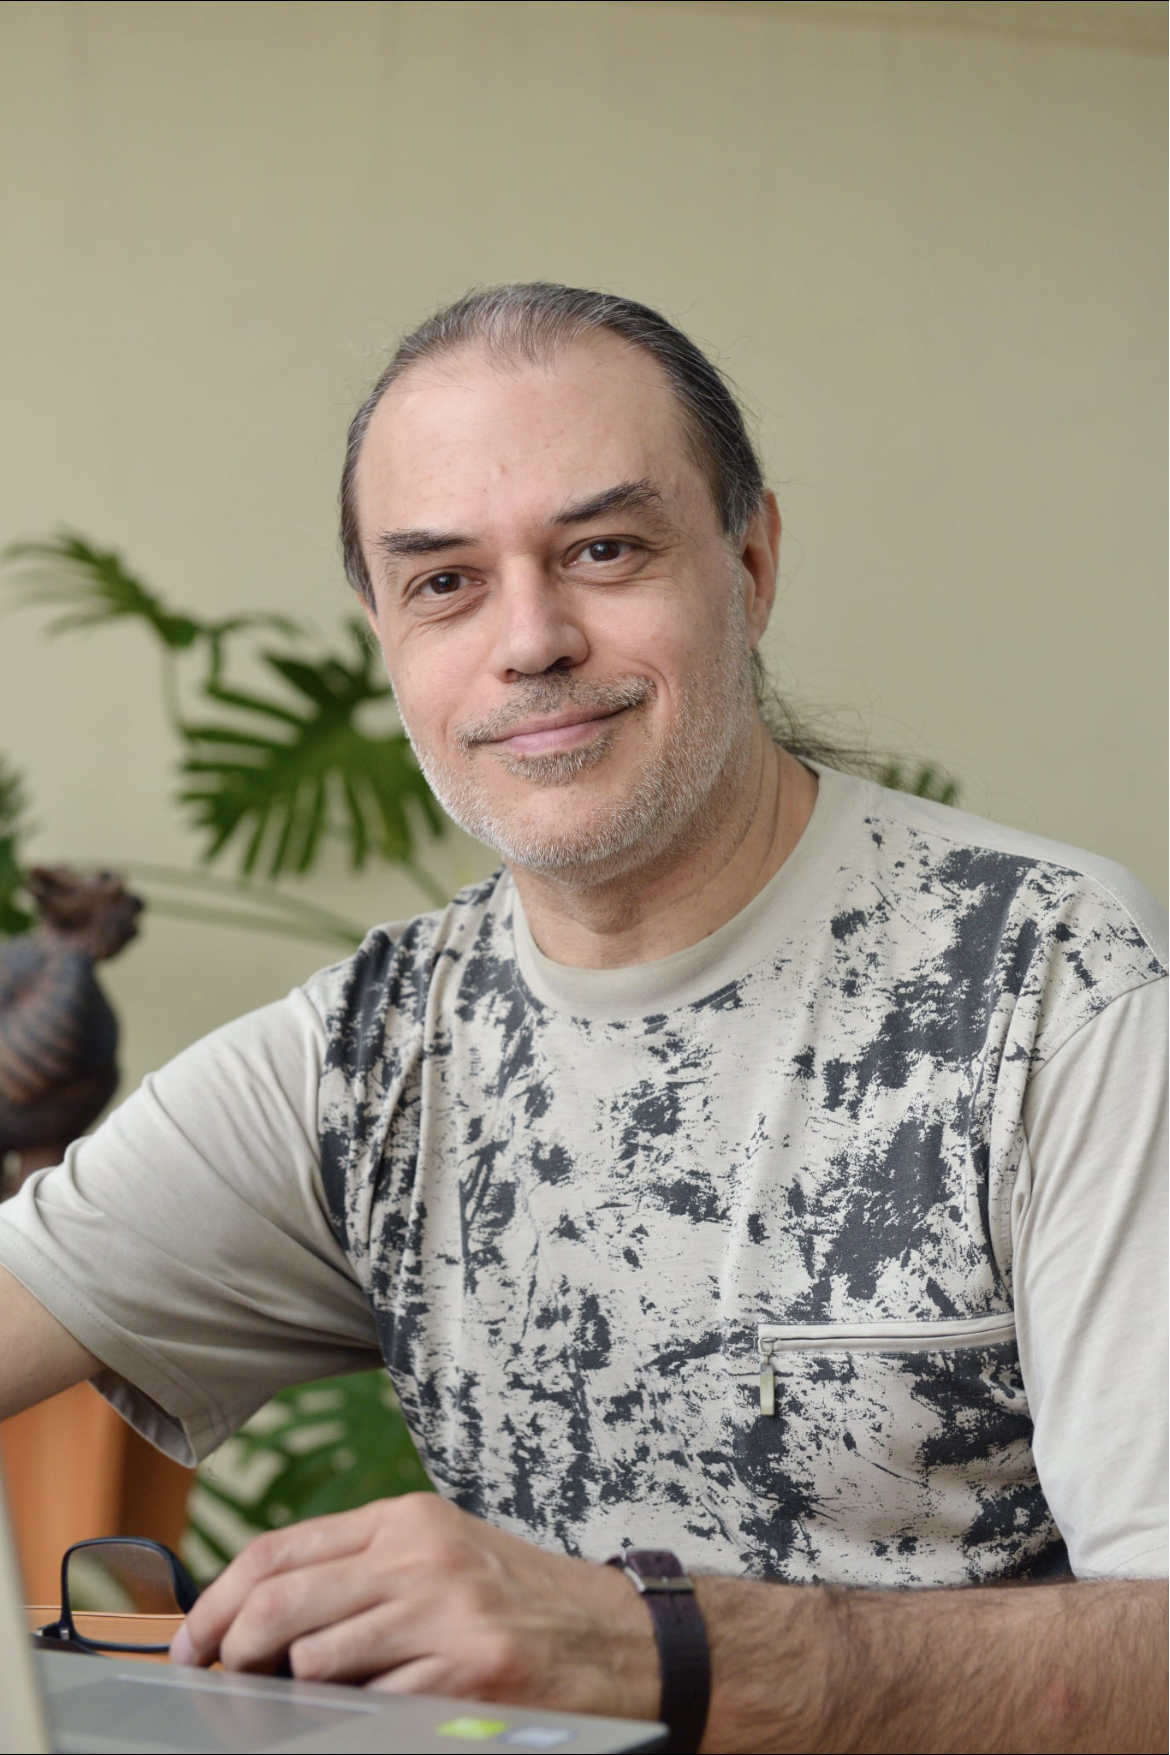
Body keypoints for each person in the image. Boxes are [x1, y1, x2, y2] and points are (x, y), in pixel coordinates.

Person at [0, 284, 1166, 1754]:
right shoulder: (369, 1050)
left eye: (604, 550)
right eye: (443, 581)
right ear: (384, 635)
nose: (530, 640)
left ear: (750, 563)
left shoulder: (1045, 976)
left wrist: (656, 1649)